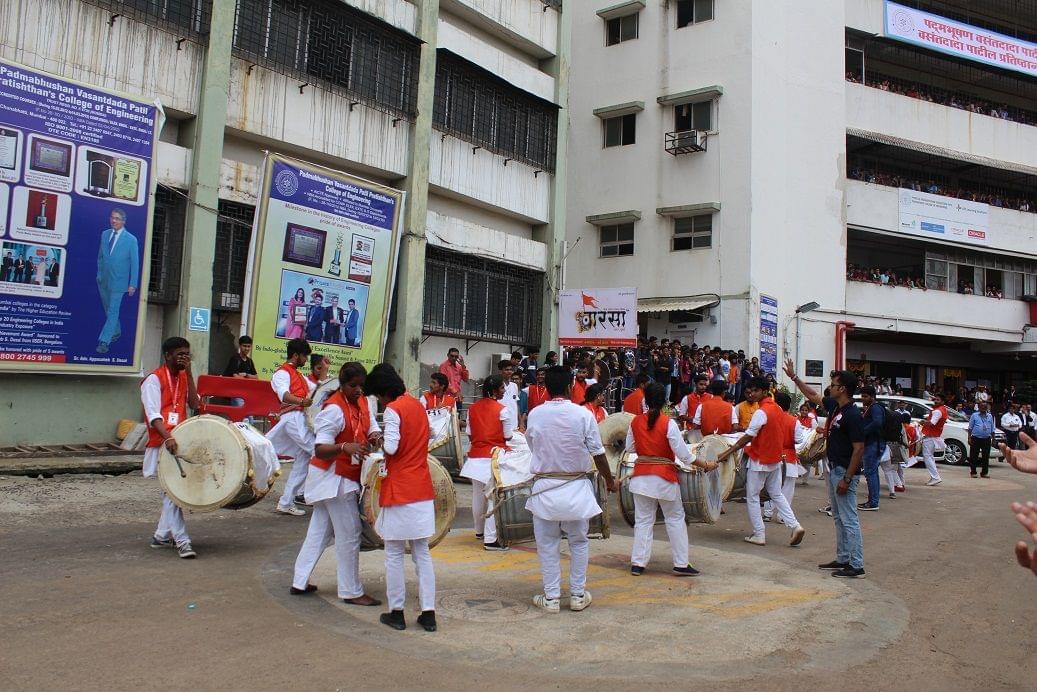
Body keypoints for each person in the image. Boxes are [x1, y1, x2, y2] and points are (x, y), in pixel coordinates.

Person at [525, 366, 618, 613]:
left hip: (545, 489)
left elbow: (532, 446)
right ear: (569, 387)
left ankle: (551, 598)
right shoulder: (583, 415)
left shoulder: (535, 414)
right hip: (576, 488)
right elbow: (598, 453)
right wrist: (610, 481)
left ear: (547, 388)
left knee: (547, 545)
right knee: (578, 542)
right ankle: (577, 595)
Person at [290, 362, 382, 606]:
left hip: (342, 476)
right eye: (353, 386)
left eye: (361, 386)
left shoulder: (364, 401)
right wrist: (344, 447)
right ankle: (351, 591)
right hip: (333, 478)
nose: (358, 390)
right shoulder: (333, 409)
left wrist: (375, 435)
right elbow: (320, 449)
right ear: (342, 385)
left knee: (319, 532)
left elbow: (371, 425)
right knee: (350, 533)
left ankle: (299, 580)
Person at [363, 363, 437, 632]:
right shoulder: (417, 405)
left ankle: (397, 612)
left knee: (394, 553)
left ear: (384, 392)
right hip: (421, 487)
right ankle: (428, 613)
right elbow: (430, 435)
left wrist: (380, 440)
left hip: (399, 489)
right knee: (422, 553)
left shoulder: (393, 410)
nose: (380, 401)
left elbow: (392, 448)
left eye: (378, 396)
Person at [785, 358, 866, 578]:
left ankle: (856, 565)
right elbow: (813, 395)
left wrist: (847, 478)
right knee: (839, 517)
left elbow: (859, 449)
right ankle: (843, 558)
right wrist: (794, 378)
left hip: (844, 472)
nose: (831, 387)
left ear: (843, 389)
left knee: (849, 519)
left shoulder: (852, 415)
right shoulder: (836, 407)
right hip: (834, 469)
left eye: (834, 384)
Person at [626, 383, 717, 576]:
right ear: (664, 402)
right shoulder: (668, 423)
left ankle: (638, 563)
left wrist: (646, 448)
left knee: (643, 521)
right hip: (664, 479)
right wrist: (706, 464)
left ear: (645, 400)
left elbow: (630, 448)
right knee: (675, 518)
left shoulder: (635, 422)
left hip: (640, 478)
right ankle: (681, 563)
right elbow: (685, 456)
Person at [717, 377, 805, 547]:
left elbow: (748, 437)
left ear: (765, 391)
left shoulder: (761, 412)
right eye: (750, 390)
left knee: (752, 497)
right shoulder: (777, 409)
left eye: (756, 390)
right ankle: (795, 526)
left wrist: (726, 453)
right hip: (776, 459)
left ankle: (759, 534)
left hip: (760, 459)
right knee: (776, 494)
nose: (752, 393)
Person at [141, 336, 200, 559]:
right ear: (167, 356)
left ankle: (161, 536)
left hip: (179, 441)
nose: (184, 358)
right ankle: (183, 541)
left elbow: (194, 404)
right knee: (172, 493)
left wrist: (190, 373)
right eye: (180, 354)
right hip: (163, 443)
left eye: (187, 354)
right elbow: (153, 415)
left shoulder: (184, 376)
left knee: (173, 491)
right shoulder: (153, 380)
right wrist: (167, 437)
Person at [460, 375, 514, 551]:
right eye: (502, 388)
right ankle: (491, 539)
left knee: (478, 495)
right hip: (493, 458)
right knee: (493, 496)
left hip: (475, 457)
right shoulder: (502, 410)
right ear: (494, 390)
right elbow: (508, 436)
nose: (504, 391)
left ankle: (479, 531)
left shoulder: (472, 408)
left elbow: (470, 433)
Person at [266, 339, 316, 516]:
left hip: (299, 419)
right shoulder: (282, 373)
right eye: (304, 356)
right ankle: (319, 495)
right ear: (296, 355)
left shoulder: (299, 375)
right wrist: (302, 401)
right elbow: (284, 395)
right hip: (293, 418)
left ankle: (286, 502)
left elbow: (317, 389)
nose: (306, 360)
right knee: (318, 451)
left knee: (304, 459)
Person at [95, 208, 139, 354]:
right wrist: (99, 274)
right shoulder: (105, 234)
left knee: (113, 310)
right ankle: (116, 331)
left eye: (117, 218)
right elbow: (100, 257)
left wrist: (133, 284)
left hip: (119, 282)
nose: (114, 221)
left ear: (123, 221)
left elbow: (135, 263)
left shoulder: (131, 239)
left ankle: (104, 341)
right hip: (103, 279)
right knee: (108, 309)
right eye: (112, 217)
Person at [762, 392, 807, 523]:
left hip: (772, 455)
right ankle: (782, 516)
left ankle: (767, 513)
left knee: (770, 486)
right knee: (787, 489)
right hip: (789, 458)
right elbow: (799, 440)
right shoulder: (794, 421)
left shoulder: (770, 418)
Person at [858, 386, 887, 511]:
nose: (863, 399)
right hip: (873, 443)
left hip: (873, 444)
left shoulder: (875, 408)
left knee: (870, 473)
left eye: (865, 396)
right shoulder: (872, 408)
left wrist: (863, 432)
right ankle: (873, 500)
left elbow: (877, 422)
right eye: (862, 396)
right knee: (872, 473)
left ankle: (873, 502)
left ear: (872, 397)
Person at [918, 393, 947, 486]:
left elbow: (932, 423)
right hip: (934, 436)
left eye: (938, 400)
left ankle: (935, 477)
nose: (935, 401)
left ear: (942, 401)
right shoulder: (943, 409)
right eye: (935, 399)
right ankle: (934, 477)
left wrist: (923, 422)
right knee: (929, 457)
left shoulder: (938, 411)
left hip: (930, 437)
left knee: (927, 457)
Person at [968, 400, 995, 479]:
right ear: (979, 407)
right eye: (982, 406)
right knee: (974, 456)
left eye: (985, 406)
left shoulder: (990, 416)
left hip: (986, 439)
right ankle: (973, 472)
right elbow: (970, 428)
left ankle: (984, 473)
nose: (983, 408)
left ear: (987, 407)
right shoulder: (974, 415)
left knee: (986, 456)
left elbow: (992, 428)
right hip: (976, 438)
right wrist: (969, 438)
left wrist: (993, 439)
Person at [499, 360, 521, 424]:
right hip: (501, 420)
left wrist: (521, 422)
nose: (509, 372)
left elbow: (516, 403)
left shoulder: (514, 386)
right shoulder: (497, 385)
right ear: (500, 371)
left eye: (511, 370)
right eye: (507, 370)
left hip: (513, 421)